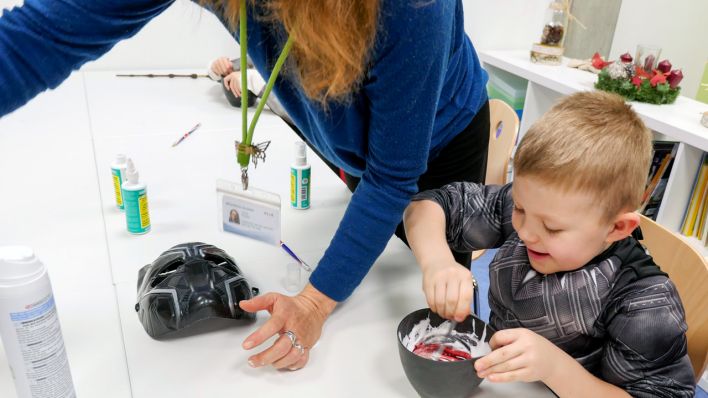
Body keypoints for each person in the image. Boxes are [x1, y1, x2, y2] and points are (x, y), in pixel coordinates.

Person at [0, 0, 490, 372]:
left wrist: (316, 303)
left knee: (431, 312)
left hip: (438, 144)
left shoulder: (414, 8)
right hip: (352, 140)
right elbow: (39, 37)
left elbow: (391, 175)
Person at [403, 91, 696, 397]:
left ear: (617, 227)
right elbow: (426, 207)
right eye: (519, 207)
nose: (525, 232)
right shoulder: (536, 209)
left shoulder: (645, 303)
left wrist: (555, 367)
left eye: (552, 228)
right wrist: (437, 261)